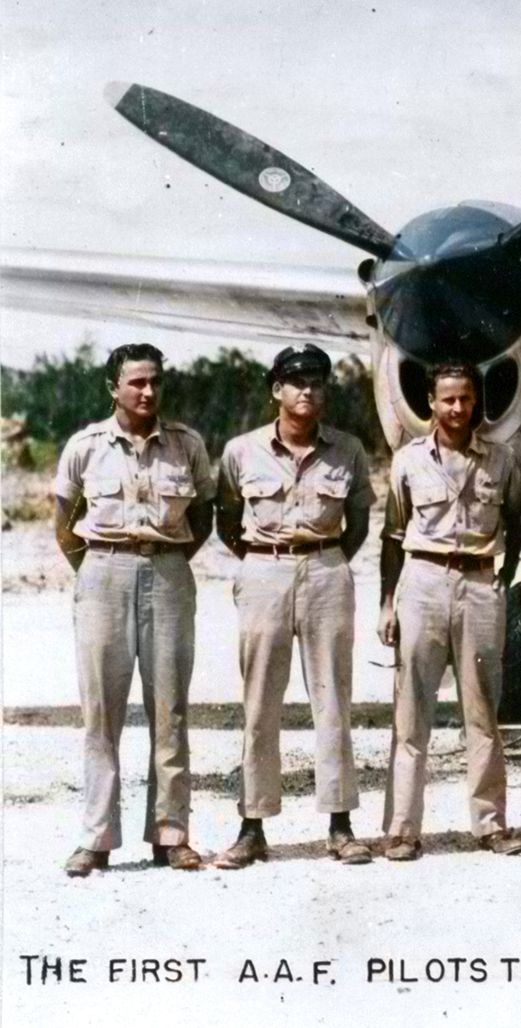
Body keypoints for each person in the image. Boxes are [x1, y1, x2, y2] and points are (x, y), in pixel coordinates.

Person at [51, 343, 215, 877]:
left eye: (156, 382)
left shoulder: (186, 445)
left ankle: (171, 834)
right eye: (136, 383)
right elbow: (64, 521)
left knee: (170, 710)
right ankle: (96, 838)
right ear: (113, 388)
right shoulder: (86, 446)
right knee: (102, 713)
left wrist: (164, 558)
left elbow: (205, 516)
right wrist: (103, 565)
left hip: (168, 573)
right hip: (103, 573)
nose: (148, 392)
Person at [212, 345, 376, 870]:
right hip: (263, 569)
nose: (307, 390)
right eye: (295, 380)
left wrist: (322, 558)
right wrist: (267, 559)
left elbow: (359, 522)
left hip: (327, 568)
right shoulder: (241, 451)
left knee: (333, 700)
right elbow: (226, 519)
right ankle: (252, 825)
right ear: (275, 389)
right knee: (260, 700)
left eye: (317, 382)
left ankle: (340, 824)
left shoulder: (347, 450)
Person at [379, 362, 521, 860]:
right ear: (431, 403)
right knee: (411, 712)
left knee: (483, 711)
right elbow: (394, 537)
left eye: (466, 399)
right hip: (422, 581)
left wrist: (499, 583)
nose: (458, 409)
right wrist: (388, 602)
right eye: (448, 400)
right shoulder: (407, 460)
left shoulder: (502, 460)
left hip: (480, 582)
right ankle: (402, 827)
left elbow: (516, 524)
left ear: (475, 403)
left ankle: (489, 823)